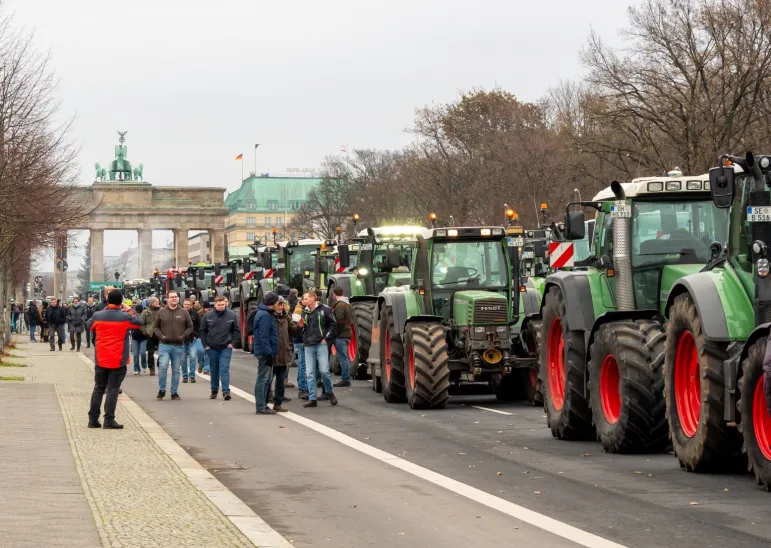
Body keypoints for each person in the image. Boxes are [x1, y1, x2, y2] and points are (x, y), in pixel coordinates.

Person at [87, 290, 143, 429]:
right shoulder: (124, 317)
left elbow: (88, 326)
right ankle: (109, 419)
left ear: (107, 301)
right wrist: (129, 309)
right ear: (120, 302)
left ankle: (93, 419)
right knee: (113, 389)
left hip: (101, 358)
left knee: (98, 388)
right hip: (118, 359)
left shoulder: (98, 315)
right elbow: (139, 323)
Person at [298, 291, 338, 407]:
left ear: (312, 299)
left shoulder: (324, 309)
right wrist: (300, 327)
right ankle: (312, 398)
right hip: (308, 345)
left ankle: (329, 392)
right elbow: (302, 329)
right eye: (303, 299)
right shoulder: (304, 312)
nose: (303, 301)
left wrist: (326, 338)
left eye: (305, 299)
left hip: (321, 344)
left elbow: (333, 324)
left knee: (324, 370)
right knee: (310, 373)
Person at [200, 296, 241, 400]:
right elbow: (203, 331)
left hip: (225, 347)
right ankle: (214, 390)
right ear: (215, 305)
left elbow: (236, 330)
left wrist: (233, 343)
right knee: (214, 370)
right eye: (219, 305)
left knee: (224, 369)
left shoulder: (231, 315)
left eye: (223, 304)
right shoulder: (208, 316)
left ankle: (226, 391)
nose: (221, 306)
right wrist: (206, 345)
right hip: (212, 347)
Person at [153, 291, 192, 400]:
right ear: (167, 299)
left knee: (176, 370)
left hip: (178, 345)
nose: (174, 299)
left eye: (175, 297)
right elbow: (155, 327)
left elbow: (190, 327)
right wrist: (162, 336)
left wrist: (182, 336)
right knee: (163, 367)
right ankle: (162, 390)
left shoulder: (184, 312)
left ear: (178, 298)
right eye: (172, 297)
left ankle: (174, 392)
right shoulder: (161, 312)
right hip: (164, 345)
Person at [253, 292, 280, 414]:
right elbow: (264, 336)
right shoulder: (265, 315)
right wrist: (268, 352)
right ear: (272, 303)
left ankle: (263, 404)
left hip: (266, 351)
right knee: (263, 379)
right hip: (265, 352)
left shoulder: (264, 313)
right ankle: (260, 406)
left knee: (267, 379)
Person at [271, 297, 297, 412]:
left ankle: (278, 403)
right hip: (271, 353)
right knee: (267, 380)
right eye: (278, 304)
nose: (280, 307)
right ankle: (265, 400)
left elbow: (294, 331)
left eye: (282, 304)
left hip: (283, 353)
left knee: (281, 381)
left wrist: (300, 327)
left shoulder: (286, 318)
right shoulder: (269, 317)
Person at [331, 286, 353, 387]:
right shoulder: (347, 305)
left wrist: (335, 333)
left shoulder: (340, 305)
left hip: (341, 335)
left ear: (334, 294)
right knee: (344, 357)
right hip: (347, 333)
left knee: (343, 357)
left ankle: (345, 379)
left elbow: (339, 321)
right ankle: (346, 378)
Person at [182, 298, 201, 383]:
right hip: (181, 340)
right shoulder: (179, 313)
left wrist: (196, 335)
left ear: (192, 305)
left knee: (192, 358)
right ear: (183, 305)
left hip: (192, 339)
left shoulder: (195, 314)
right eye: (185, 304)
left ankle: (192, 376)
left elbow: (199, 326)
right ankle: (185, 376)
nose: (187, 306)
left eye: (188, 304)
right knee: (183, 359)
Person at [141, 297, 161, 375]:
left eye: (158, 301)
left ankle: (160, 366)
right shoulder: (145, 312)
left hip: (160, 334)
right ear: (151, 303)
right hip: (150, 334)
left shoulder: (161, 311)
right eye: (156, 301)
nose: (158, 303)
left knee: (161, 352)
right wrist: (144, 331)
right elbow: (141, 323)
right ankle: (151, 368)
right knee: (150, 352)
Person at [130, 302, 148, 375]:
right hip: (135, 337)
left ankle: (144, 365)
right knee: (135, 354)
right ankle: (136, 369)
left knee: (143, 353)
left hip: (143, 337)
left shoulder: (144, 316)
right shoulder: (133, 316)